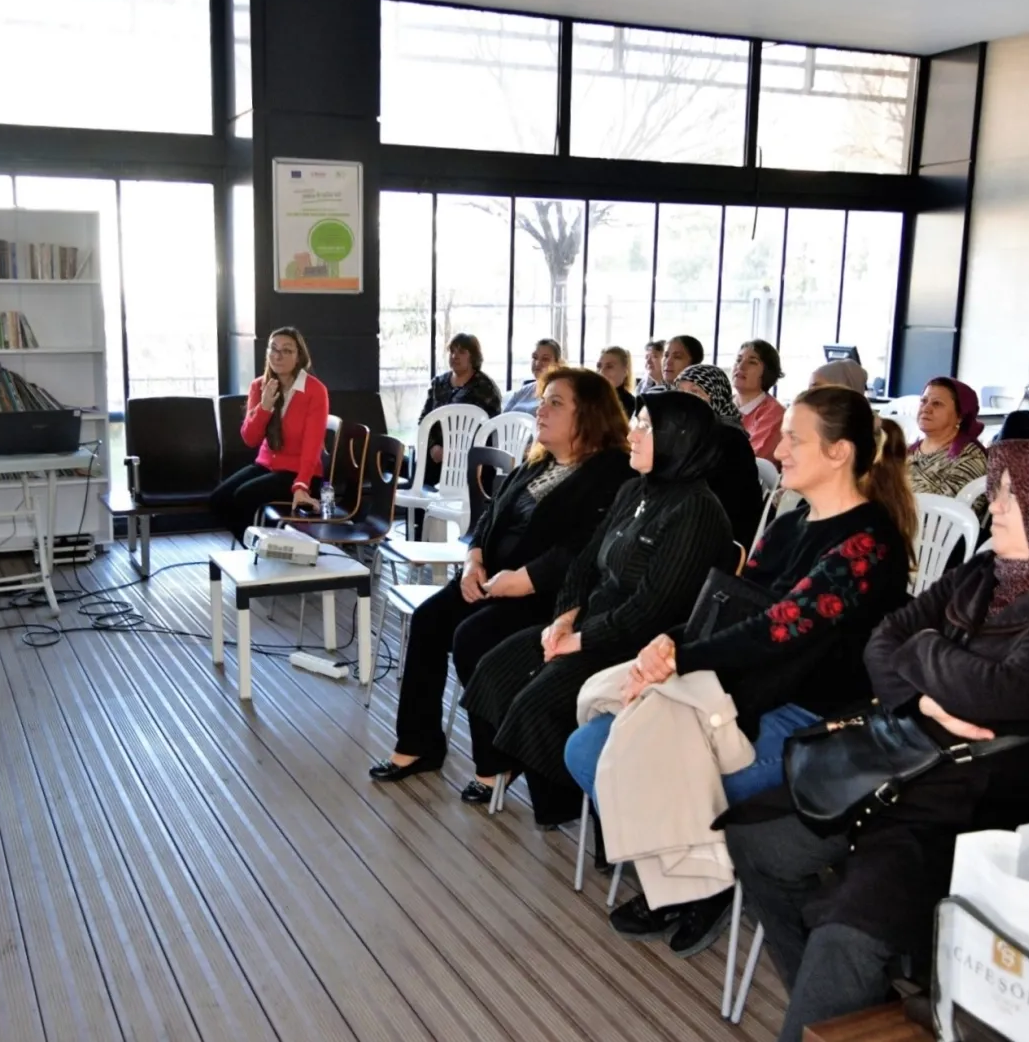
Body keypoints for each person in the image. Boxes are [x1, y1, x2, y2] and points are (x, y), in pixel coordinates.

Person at [725, 440, 1029, 1041]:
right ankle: (850, 1020)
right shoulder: (988, 571)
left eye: (1012, 495)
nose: (994, 506)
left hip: (984, 809)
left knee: (848, 933)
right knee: (756, 840)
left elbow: (995, 692)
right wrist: (926, 694)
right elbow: (883, 639)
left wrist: (922, 649)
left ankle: (837, 1004)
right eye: (997, 492)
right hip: (904, 762)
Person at [590, 385, 916, 957]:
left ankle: (706, 882)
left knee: (649, 762)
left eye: (793, 439)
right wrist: (669, 647)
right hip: (746, 690)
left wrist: (682, 658)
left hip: (813, 718)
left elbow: (781, 627)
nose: (779, 450)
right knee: (591, 746)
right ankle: (689, 871)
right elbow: (734, 604)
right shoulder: (790, 524)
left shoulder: (869, 543)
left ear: (839, 452)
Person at [458, 392, 734, 825]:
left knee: (535, 704)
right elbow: (584, 564)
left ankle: (573, 805)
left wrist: (576, 642)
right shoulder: (634, 490)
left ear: (677, 439)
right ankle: (549, 792)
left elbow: (651, 611)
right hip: (590, 627)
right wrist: (563, 619)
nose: (633, 434)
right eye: (636, 423)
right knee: (493, 670)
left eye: (646, 426)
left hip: (638, 648)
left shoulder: (696, 512)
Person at [367, 367, 634, 783]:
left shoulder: (613, 473)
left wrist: (523, 580)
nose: (541, 410)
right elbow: (490, 515)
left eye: (555, 403)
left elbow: (584, 549)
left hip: (550, 598)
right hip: (493, 580)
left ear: (590, 414)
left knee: (472, 638)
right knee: (428, 620)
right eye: (543, 401)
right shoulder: (539, 462)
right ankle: (419, 743)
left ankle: (498, 760)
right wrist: (473, 560)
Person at [209, 327, 330, 544]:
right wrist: (264, 407)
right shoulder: (259, 386)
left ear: (299, 356)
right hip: (266, 465)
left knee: (244, 496)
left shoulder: (315, 390)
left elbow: (312, 446)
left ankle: (261, 550)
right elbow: (250, 439)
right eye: (273, 349)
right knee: (218, 500)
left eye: (286, 350)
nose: (278, 355)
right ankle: (258, 548)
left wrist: (301, 486)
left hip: (301, 472)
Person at [675, 363, 766, 547]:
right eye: (680, 391)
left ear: (716, 397)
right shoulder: (689, 433)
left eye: (695, 392)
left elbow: (721, 503)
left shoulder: (729, 439)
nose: (684, 399)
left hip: (719, 537)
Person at [417, 332, 503, 483]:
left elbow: (491, 429)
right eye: (452, 351)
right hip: (437, 458)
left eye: (461, 352)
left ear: (473, 357)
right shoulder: (438, 384)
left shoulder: (485, 388)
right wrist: (433, 447)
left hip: (471, 460)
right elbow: (424, 420)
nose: (454, 356)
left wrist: (455, 452)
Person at [908, 377, 988, 505]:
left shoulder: (969, 458)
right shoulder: (907, 450)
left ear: (960, 416)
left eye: (937, 403)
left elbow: (949, 513)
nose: (926, 409)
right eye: (923, 401)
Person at [733, 340, 785, 463]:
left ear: (768, 372)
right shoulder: (719, 402)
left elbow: (751, 460)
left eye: (752, 362)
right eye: (738, 360)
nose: (741, 366)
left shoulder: (775, 414)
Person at [500, 338, 562, 416]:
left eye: (545, 359)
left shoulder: (560, 394)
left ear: (557, 364)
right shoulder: (522, 392)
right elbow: (501, 418)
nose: (537, 363)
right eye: (535, 357)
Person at [595, 345, 639, 417]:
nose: (601, 372)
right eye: (599, 366)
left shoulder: (632, 405)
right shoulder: (589, 399)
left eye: (609, 367)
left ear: (625, 371)